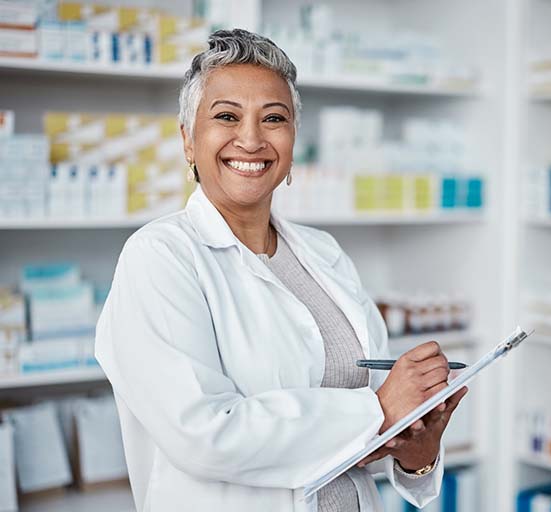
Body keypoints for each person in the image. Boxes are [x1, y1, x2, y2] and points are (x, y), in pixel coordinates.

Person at [95, 29, 468, 512]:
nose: (251, 139)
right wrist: (376, 411)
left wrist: (415, 443)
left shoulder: (324, 253)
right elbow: (205, 435)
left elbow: (372, 434)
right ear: (188, 140)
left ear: (292, 143)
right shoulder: (159, 258)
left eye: (274, 118)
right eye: (226, 116)